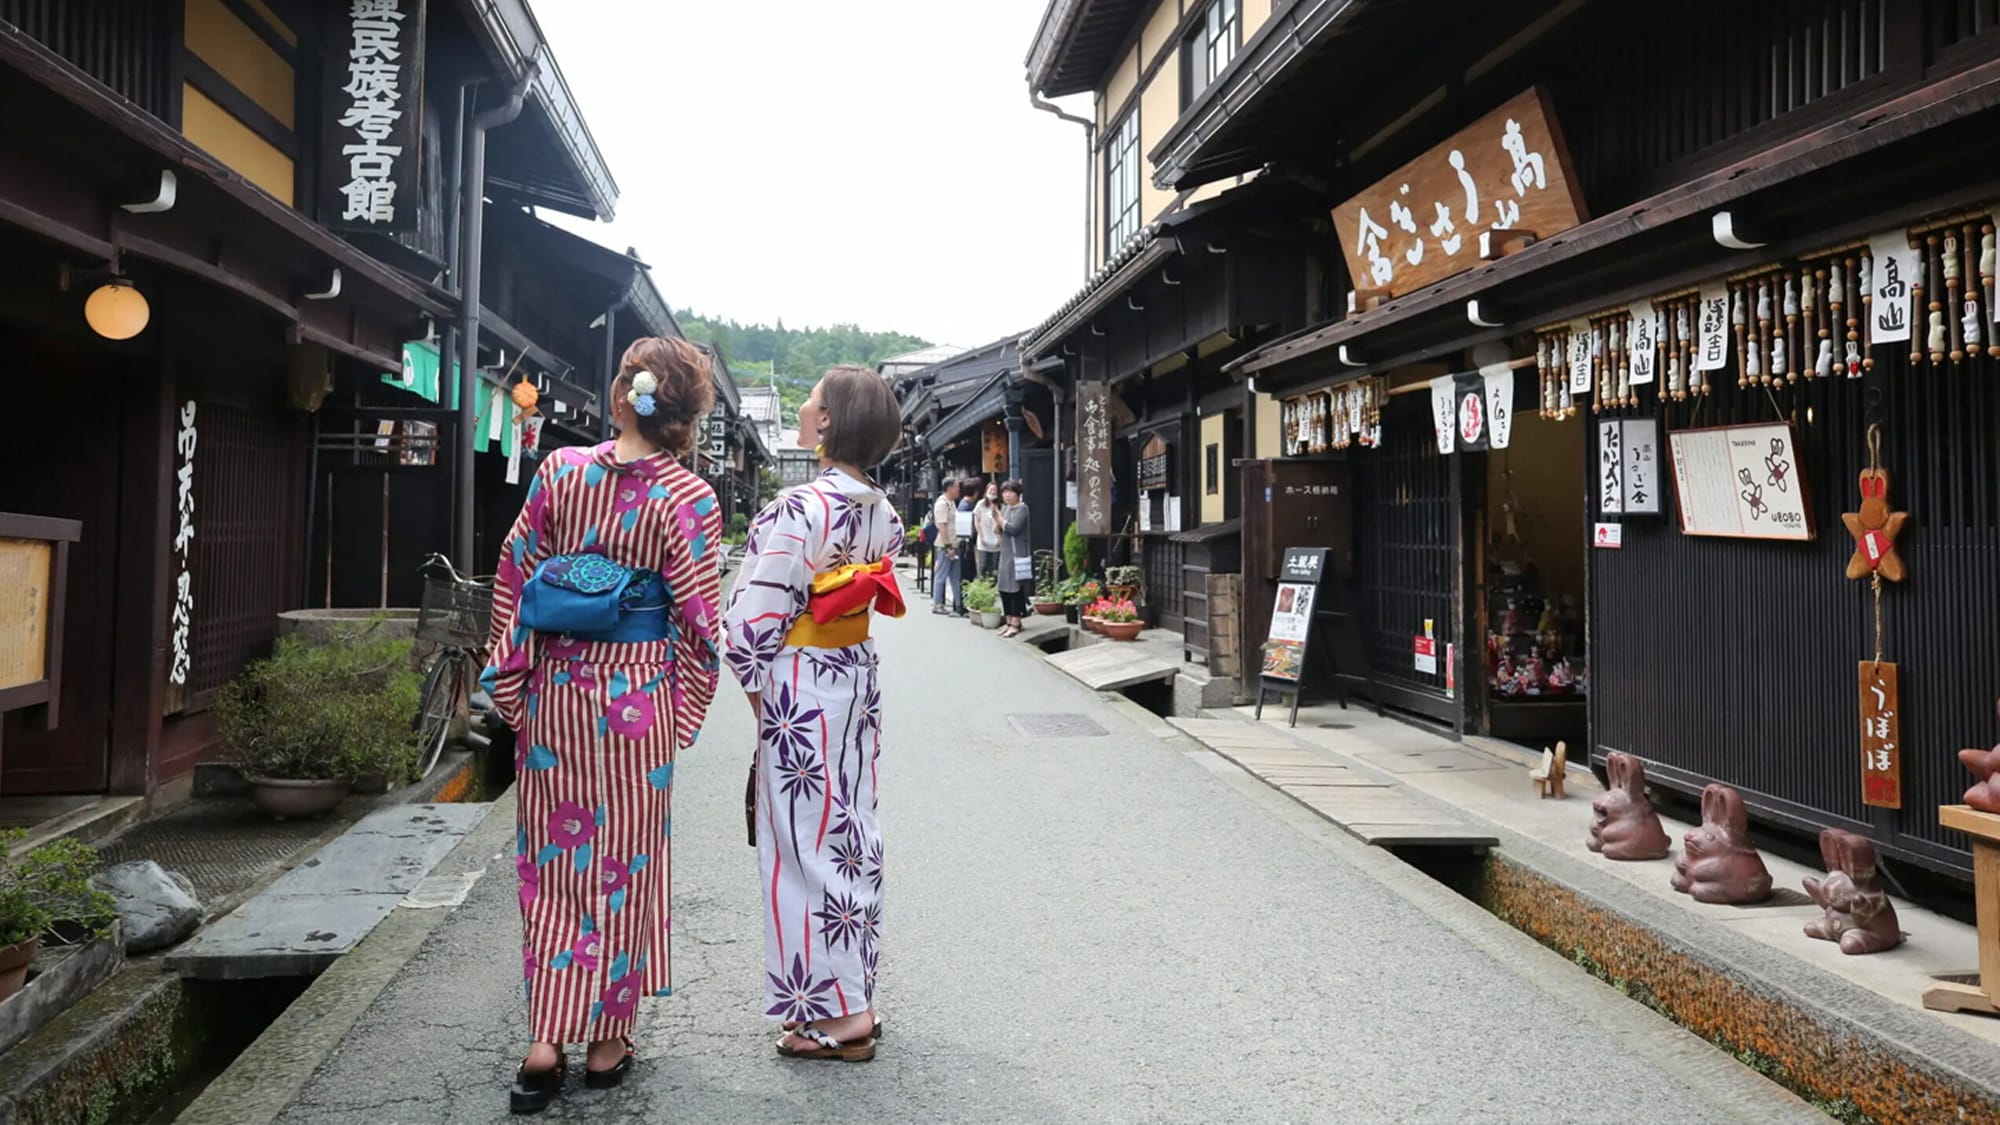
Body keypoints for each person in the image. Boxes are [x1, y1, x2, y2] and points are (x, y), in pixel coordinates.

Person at [483, 337, 724, 1115]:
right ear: (686, 413)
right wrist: (684, 708)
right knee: (624, 862)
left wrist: (513, 683)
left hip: (557, 690)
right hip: (637, 699)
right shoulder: (689, 498)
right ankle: (608, 1039)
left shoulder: (561, 472)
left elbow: (516, 574)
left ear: (622, 394)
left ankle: (544, 1040)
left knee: (553, 863)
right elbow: (700, 621)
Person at [723, 364, 906, 1063]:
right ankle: (856, 993)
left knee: (803, 848)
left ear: (826, 422)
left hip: (801, 686)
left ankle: (836, 1016)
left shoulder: (798, 508)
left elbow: (747, 625)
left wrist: (763, 705)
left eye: (812, 402)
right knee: (852, 835)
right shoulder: (881, 510)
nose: (803, 408)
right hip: (854, 677)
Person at [995, 480, 1033, 638]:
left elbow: (1013, 528)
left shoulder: (1022, 509)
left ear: (1018, 494)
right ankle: (1009, 620)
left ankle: (1016, 623)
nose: (1007, 495)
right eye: (1004, 492)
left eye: (1010, 492)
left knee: (1015, 588)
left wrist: (1000, 520)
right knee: (1004, 587)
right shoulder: (1004, 508)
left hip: (1017, 553)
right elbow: (998, 529)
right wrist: (997, 521)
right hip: (1005, 552)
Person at [929, 478, 963, 615]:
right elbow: (942, 525)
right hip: (945, 545)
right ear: (949, 488)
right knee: (941, 575)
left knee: (955, 576)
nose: (958, 489)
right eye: (956, 486)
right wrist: (948, 546)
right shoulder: (942, 503)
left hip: (954, 543)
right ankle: (937, 604)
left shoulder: (951, 503)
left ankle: (958, 604)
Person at [973, 480, 1003, 581]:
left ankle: (993, 588)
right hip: (983, 539)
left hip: (996, 540)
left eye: (995, 490)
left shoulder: (1000, 506)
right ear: (986, 491)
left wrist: (999, 536)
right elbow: (976, 521)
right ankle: (981, 586)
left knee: (994, 567)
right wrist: (981, 536)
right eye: (991, 490)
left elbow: (1001, 523)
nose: (993, 492)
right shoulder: (980, 504)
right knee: (983, 565)